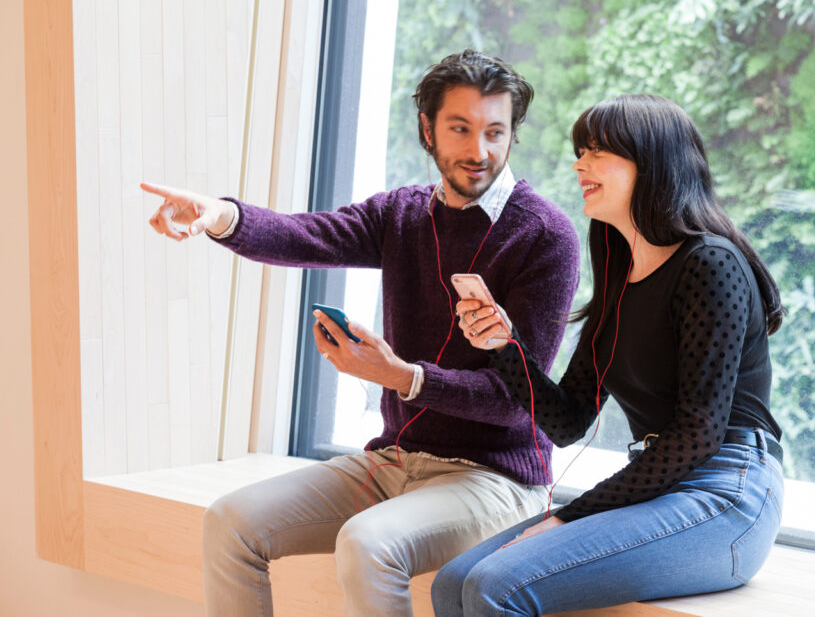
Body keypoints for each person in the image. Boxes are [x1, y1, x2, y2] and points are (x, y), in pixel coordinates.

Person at [141, 50, 580, 616]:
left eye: (496, 132)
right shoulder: (403, 215)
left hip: (496, 480)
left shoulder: (545, 235)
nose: (480, 151)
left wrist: (402, 377)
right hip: (395, 461)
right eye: (460, 129)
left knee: (367, 543)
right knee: (229, 523)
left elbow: (519, 406)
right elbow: (304, 236)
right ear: (428, 129)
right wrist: (219, 214)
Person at [433, 94, 787, 615]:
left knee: (494, 585)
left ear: (653, 163)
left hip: (728, 491)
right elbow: (569, 419)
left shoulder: (711, 264)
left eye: (598, 151)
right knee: (453, 582)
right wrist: (503, 347)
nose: (580, 164)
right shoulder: (620, 278)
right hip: (664, 483)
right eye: (581, 151)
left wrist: (571, 515)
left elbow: (699, 434)